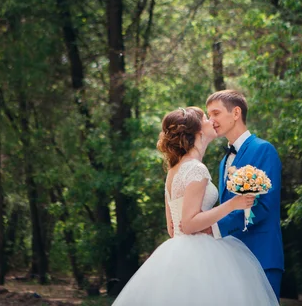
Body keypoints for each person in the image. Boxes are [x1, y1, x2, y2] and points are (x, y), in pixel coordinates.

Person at [112, 107, 278, 306]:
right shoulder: (196, 169)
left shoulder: (174, 170)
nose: (212, 121)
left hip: (177, 253)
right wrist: (233, 204)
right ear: (198, 130)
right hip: (201, 253)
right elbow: (188, 224)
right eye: (207, 118)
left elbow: (172, 228)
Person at [206, 90, 284, 300]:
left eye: (216, 113)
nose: (211, 121)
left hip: (261, 255)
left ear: (236, 112)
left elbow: (263, 206)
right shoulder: (224, 162)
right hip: (232, 260)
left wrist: (213, 228)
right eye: (208, 115)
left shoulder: (264, 150)